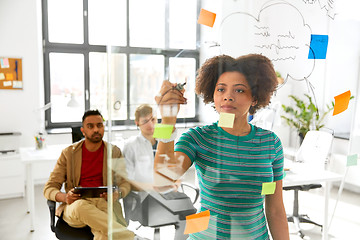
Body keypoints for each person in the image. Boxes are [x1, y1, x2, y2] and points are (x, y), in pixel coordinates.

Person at [154, 54, 290, 239]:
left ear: (255, 98)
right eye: (221, 89)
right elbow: (162, 181)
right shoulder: (197, 138)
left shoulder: (270, 142)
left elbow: (275, 210)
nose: (228, 97)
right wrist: (167, 120)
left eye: (239, 90)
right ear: (213, 95)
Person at [43, 109, 135, 240]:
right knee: (81, 207)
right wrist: (65, 198)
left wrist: (117, 194)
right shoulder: (68, 154)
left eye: (99, 125)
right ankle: (131, 237)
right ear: (83, 130)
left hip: (104, 203)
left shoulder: (114, 152)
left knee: (104, 234)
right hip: (76, 207)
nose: (96, 130)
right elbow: (49, 188)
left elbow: (124, 183)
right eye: (90, 126)